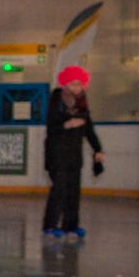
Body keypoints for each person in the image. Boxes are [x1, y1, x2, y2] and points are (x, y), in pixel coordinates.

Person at [43, 65, 103, 239]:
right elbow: (51, 127)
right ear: (66, 84)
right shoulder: (57, 99)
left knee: (73, 191)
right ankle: (50, 225)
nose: (77, 88)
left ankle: (70, 225)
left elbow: (89, 129)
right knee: (59, 190)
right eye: (73, 84)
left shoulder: (82, 104)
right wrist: (67, 124)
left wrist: (98, 149)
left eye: (79, 84)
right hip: (57, 154)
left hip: (74, 155)